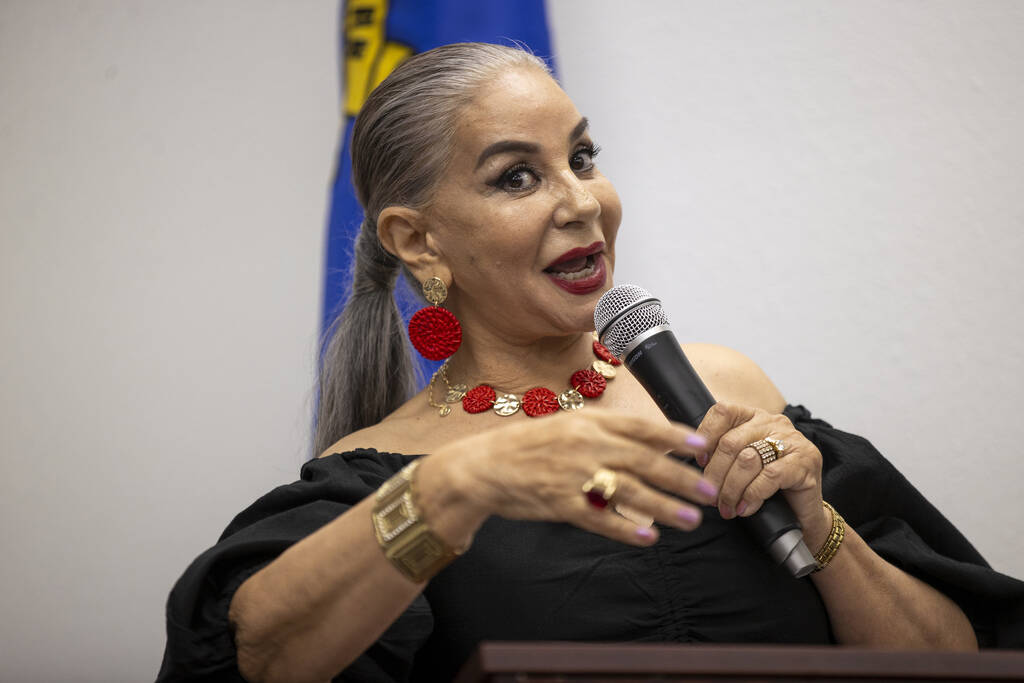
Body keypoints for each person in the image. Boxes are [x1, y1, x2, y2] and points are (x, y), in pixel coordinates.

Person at [158, 43, 1024, 683]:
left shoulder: (726, 388)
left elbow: (955, 662)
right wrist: (455, 489)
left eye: (580, 158)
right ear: (417, 239)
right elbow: (253, 656)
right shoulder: (377, 476)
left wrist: (823, 527)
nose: (582, 202)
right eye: (516, 178)